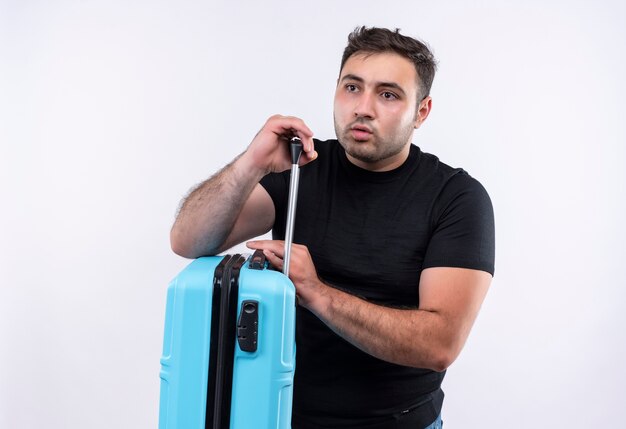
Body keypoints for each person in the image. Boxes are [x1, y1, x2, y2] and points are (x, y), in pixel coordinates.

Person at [171, 26, 495, 429]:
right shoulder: (300, 167)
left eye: (388, 94)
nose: (363, 107)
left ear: (422, 112)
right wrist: (250, 162)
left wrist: (317, 292)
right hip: (277, 414)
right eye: (352, 88)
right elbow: (188, 239)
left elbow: (439, 343)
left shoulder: (456, 198)